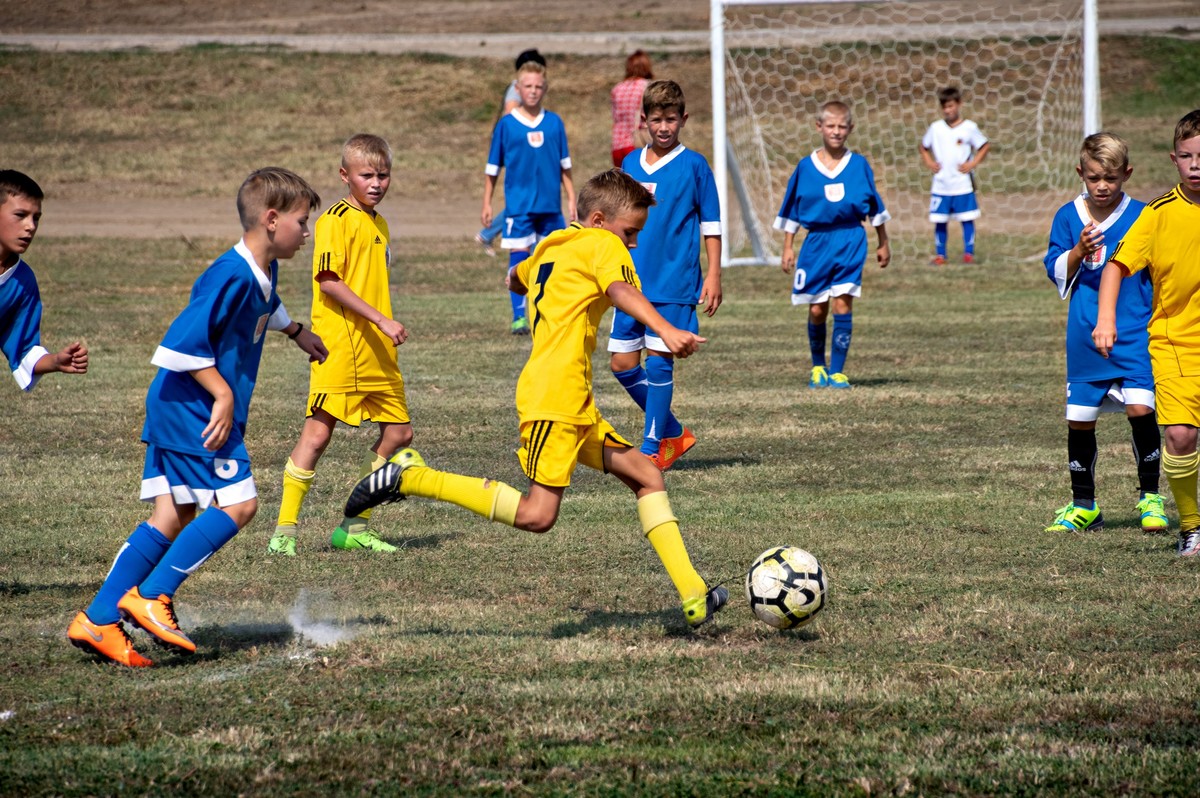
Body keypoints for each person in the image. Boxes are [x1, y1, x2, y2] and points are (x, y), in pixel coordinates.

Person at [345, 169, 728, 628]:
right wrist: (665, 329)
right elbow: (620, 289)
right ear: (601, 220)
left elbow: (516, 276)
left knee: (646, 474)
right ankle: (413, 476)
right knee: (537, 515)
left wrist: (534, 289)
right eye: (630, 233)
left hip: (570, 396)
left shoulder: (552, 244)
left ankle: (693, 594)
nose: (632, 245)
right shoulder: (602, 245)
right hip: (555, 397)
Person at [68, 167, 326, 666]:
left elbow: (263, 305)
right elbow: (178, 344)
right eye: (302, 221)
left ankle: (98, 620)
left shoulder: (260, 268)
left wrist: (295, 330)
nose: (307, 231)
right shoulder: (231, 273)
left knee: (172, 516)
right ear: (272, 220)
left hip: (174, 406)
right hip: (194, 409)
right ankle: (153, 594)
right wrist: (223, 394)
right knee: (241, 504)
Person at [267, 134, 411, 556]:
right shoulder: (334, 219)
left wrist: (383, 326)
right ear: (344, 176)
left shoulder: (379, 222)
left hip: (378, 351)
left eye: (383, 175)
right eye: (367, 175)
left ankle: (354, 525)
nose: (376, 182)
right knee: (316, 435)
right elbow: (329, 282)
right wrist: (383, 319)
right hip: (342, 349)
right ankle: (284, 533)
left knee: (400, 432)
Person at [1042, 132, 1166, 535]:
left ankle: (1150, 499)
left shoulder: (1144, 216)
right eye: (1094, 177)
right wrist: (1078, 250)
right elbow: (1055, 269)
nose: (1101, 186)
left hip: (1134, 331)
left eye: (1110, 178)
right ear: (1081, 172)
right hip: (1083, 333)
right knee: (1080, 419)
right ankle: (1084, 506)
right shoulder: (1067, 216)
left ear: (1126, 174)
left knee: (1141, 410)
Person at [1094, 109, 1200, 557]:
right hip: (1175, 343)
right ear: (1173, 160)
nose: (1196, 164)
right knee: (1179, 436)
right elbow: (1117, 266)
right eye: (1187, 156)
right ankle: (1192, 527)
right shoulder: (1158, 215)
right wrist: (1106, 319)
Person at [610, 79, 721, 470]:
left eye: (671, 119)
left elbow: (711, 224)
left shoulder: (695, 166)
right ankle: (673, 431)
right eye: (656, 119)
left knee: (659, 361)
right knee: (621, 364)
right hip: (631, 283)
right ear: (644, 120)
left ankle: (652, 445)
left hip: (675, 281)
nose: (663, 127)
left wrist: (713, 275)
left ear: (683, 119)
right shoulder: (628, 165)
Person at [774, 100, 890, 390]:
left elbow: (875, 206)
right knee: (816, 308)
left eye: (842, 126)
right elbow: (791, 209)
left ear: (850, 129)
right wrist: (788, 247)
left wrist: (883, 242)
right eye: (831, 126)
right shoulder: (805, 167)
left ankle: (837, 371)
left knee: (843, 302)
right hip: (816, 242)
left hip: (851, 237)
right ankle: (818, 367)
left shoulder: (859, 165)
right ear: (819, 127)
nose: (836, 132)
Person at [482, 58, 576, 335]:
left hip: (550, 207)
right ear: (517, 88)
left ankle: (548, 312)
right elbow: (492, 169)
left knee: (552, 261)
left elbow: (565, 166)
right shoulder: (507, 125)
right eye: (528, 86)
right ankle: (519, 316)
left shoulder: (555, 123)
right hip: (519, 207)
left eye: (538, 86)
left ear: (545, 88)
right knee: (519, 260)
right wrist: (487, 202)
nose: (533, 91)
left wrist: (571, 198)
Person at [0, 170, 88, 390]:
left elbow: (24, 350)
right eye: (20, 215)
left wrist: (56, 361)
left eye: (36, 218)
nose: (30, 226)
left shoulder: (22, 281)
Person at [475, 48, 548, 257]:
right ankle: (488, 234)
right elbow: (511, 115)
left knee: (528, 199)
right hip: (518, 151)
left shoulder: (522, 86)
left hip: (523, 151)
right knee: (524, 200)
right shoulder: (516, 90)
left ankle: (489, 234)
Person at [919, 86, 990, 265]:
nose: (947, 110)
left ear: (959, 104)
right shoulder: (936, 128)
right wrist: (929, 162)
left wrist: (972, 164)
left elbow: (984, 145)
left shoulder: (969, 127)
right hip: (942, 183)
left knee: (967, 218)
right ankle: (941, 255)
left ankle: (969, 254)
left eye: (951, 106)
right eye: (944, 107)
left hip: (962, 183)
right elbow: (923, 146)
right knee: (940, 220)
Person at [610, 50, 653, 167]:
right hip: (637, 143)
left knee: (622, 184)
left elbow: (615, 117)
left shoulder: (617, 88)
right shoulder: (648, 86)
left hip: (617, 145)